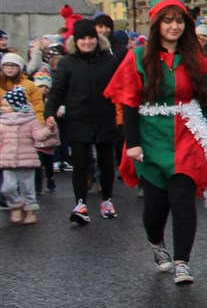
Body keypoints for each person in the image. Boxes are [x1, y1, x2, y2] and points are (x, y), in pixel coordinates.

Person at [104, 0, 207, 284]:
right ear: (157, 24)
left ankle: (183, 261)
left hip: (186, 133)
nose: (174, 26)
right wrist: (132, 142)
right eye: (168, 20)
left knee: (183, 198)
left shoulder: (197, 61)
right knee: (155, 207)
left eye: (180, 20)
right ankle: (157, 243)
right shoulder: (138, 57)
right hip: (150, 136)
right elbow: (129, 102)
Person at [46, 19, 122, 222]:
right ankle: (80, 204)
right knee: (81, 163)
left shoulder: (109, 60)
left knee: (106, 163)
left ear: (97, 39)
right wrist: (49, 113)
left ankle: (106, 200)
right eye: (83, 39)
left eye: (91, 38)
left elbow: (121, 88)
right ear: (75, 41)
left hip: (105, 118)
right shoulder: (67, 62)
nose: (87, 42)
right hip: (78, 119)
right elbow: (57, 91)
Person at [1, 75, 51, 226]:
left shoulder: (30, 121)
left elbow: (39, 136)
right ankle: (16, 204)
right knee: (7, 188)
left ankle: (30, 211)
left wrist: (48, 129)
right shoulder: (2, 123)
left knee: (28, 188)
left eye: (5, 106)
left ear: (16, 106)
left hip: (27, 160)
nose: (2, 108)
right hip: (7, 161)